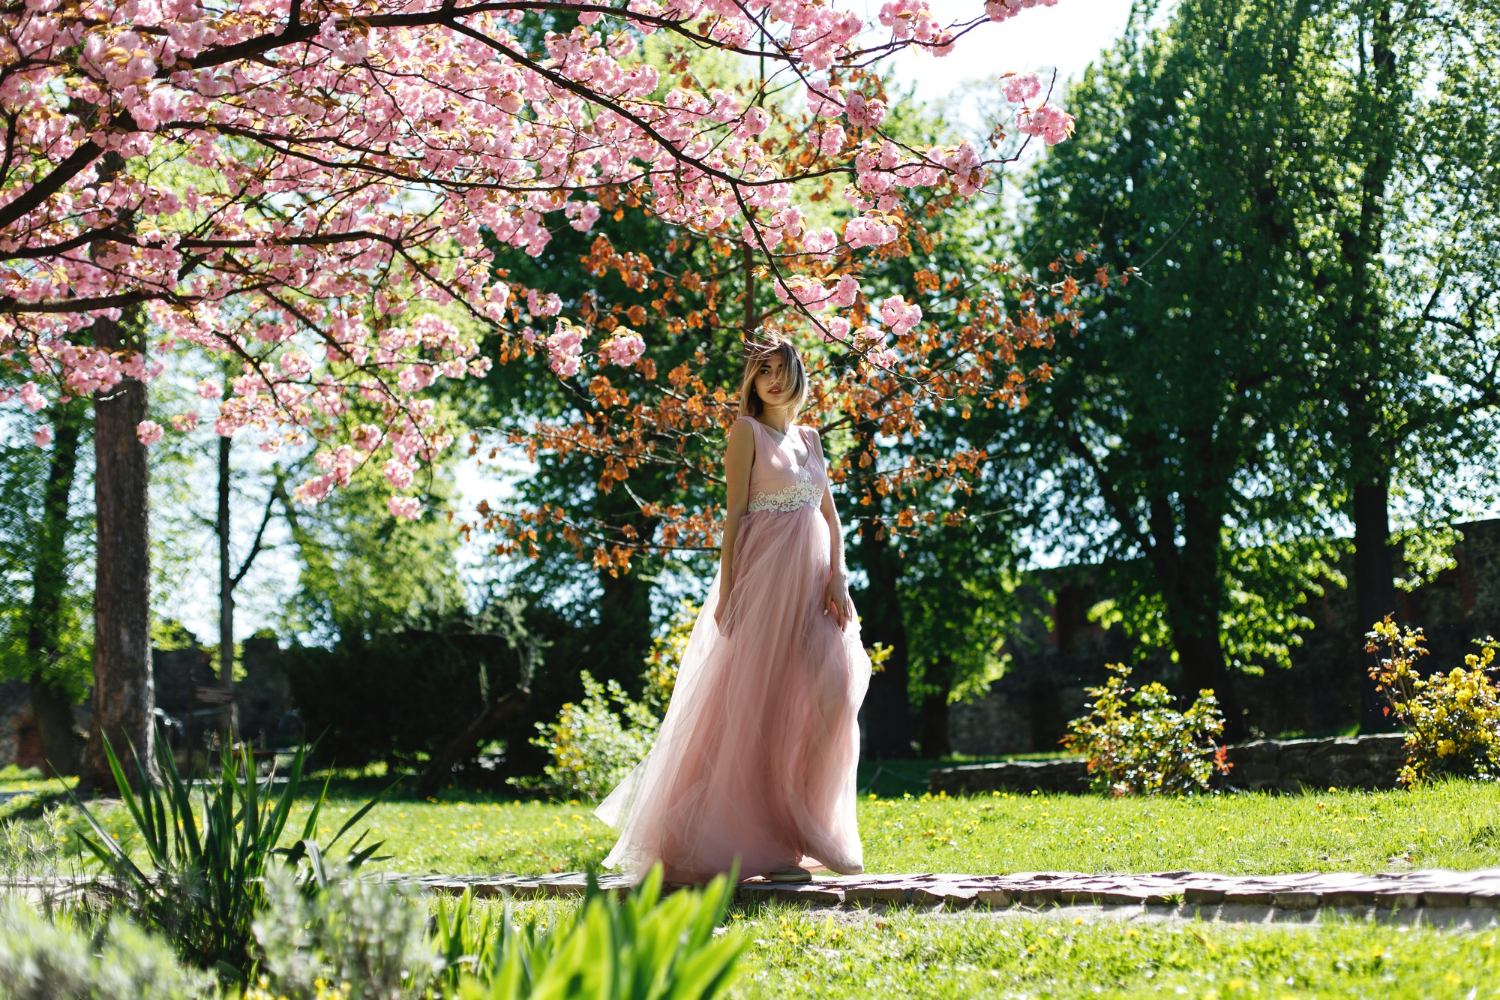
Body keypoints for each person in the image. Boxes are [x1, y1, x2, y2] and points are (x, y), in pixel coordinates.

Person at [595, 335, 872, 884]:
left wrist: (839, 577)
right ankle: (762, 834)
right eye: (760, 370)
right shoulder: (745, 433)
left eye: (779, 369)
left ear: (796, 374)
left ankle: (811, 819)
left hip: (819, 588)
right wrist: (729, 595)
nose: (769, 379)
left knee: (834, 693)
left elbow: (832, 517)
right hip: (765, 586)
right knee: (757, 709)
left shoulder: (812, 439)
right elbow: (736, 518)